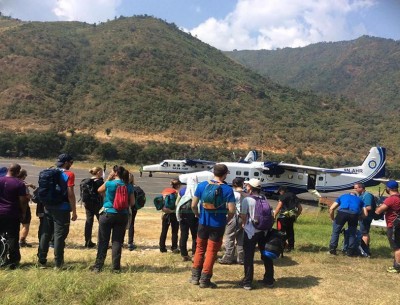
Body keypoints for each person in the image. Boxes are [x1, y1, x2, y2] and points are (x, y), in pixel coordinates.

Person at [190, 164, 236, 288]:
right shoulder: (227, 189)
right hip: (218, 225)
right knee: (211, 251)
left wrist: (198, 215)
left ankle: (195, 277)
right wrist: (227, 220)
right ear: (225, 174)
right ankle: (205, 280)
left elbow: (193, 205)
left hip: (203, 223)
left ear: (213, 172)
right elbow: (232, 210)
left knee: (199, 249)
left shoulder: (202, 185)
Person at [37, 154, 78, 269]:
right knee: (59, 236)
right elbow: (70, 194)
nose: (71, 164)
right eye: (71, 162)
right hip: (62, 208)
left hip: (48, 207)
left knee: (45, 233)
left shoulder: (50, 171)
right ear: (66, 163)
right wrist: (74, 211)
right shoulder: (69, 174)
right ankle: (58, 263)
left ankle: (41, 261)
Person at [91, 165, 134, 272]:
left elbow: (99, 190)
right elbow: (132, 202)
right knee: (117, 242)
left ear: (115, 173)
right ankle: (116, 268)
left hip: (107, 213)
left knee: (103, 240)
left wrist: (108, 179)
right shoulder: (128, 186)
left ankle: (98, 266)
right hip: (122, 215)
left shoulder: (110, 184)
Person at [240, 178, 274, 290]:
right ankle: (269, 279)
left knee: (248, 257)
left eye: (247, 185)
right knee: (266, 255)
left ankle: (247, 282)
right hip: (263, 231)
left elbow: (243, 215)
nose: (246, 187)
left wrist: (243, 224)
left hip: (251, 231)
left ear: (250, 187)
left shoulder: (247, 200)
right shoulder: (264, 198)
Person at [0, 164, 28, 269]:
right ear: (18, 172)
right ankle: (13, 260)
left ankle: (1, 257)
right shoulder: (19, 183)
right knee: (12, 237)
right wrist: (23, 213)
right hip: (11, 213)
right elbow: (23, 201)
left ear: (8, 169)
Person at [218, 177, 246, 265]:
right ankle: (241, 258)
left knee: (230, 237)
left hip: (234, 216)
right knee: (241, 238)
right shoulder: (246, 194)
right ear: (242, 184)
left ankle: (228, 257)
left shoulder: (232, 194)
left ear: (234, 184)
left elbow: (228, 206)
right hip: (244, 217)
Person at [375, 180, 400, 273]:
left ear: (389, 188)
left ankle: (397, 267)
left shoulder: (391, 199)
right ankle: (396, 264)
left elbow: (378, 211)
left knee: (396, 246)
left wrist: (380, 206)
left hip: (393, 225)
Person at [274, 186, 302, 252]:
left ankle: (282, 247)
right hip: (291, 217)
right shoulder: (293, 196)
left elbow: (279, 206)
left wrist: (274, 215)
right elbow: (300, 208)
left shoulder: (282, 196)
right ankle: (291, 247)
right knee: (290, 232)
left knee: (280, 232)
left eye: (279, 192)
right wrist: (296, 216)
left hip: (282, 218)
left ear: (282, 191)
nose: (279, 194)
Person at [82, 167, 104, 248]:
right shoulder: (100, 182)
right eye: (101, 172)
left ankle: (87, 241)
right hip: (97, 204)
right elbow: (102, 193)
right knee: (102, 222)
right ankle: (101, 241)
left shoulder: (87, 181)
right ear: (98, 172)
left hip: (88, 204)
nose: (102, 173)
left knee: (89, 222)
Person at [176, 184, 198, 261]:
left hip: (183, 214)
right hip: (194, 214)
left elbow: (176, 203)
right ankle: (194, 254)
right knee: (195, 235)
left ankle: (184, 254)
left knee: (184, 234)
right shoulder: (197, 189)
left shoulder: (182, 190)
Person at [159, 179, 180, 253]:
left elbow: (161, 202)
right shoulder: (177, 193)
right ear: (178, 185)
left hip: (165, 214)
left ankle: (162, 247)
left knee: (164, 231)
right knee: (174, 231)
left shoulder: (165, 192)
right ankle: (174, 247)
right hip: (174, 214)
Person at [354, 182, 374, 256]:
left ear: (361, 188)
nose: (355, 189)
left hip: (366, 217)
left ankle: (364, 250)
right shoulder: (360, 195)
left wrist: (358, 209)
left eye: (356, 188)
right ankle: (363, 249)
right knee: (363, 232)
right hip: (362, 216)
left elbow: (368, 207)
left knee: (364, 233)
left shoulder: (367, 195)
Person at [17, 169, 36, 248]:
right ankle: (22, 241)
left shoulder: (11, 181)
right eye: (25, 175)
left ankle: (14, 240)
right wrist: (32, 197)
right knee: (26, 224)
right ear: (23, 175)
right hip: (23, 206)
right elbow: (26, 195)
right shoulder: (22, 183)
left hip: (13, 206)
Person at [127, 173, 138, 251]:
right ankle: (130, 243)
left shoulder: (120, 186)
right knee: (131, 224)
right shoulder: (135, 188)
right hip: (133, 208)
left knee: (120, 225)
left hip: (122, 207)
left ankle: (119, 242)